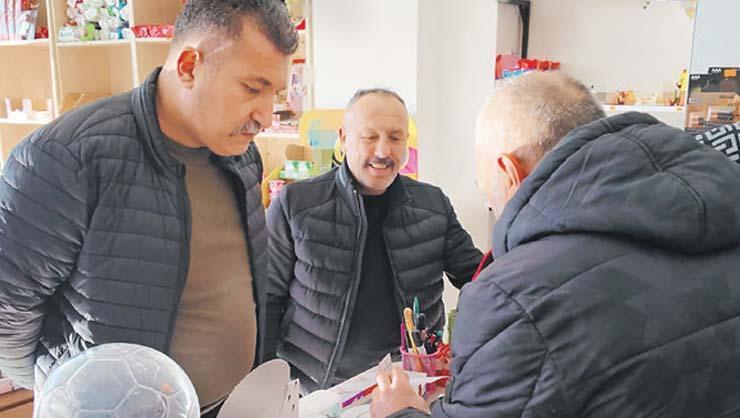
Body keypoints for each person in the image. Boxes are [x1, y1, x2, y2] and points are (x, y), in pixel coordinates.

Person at [371, 71, 740, 417]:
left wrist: (400, 411)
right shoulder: (723, 207)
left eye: (489, 197)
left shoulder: (512, 299)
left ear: (510, 172)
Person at [0, 1, 298, 416]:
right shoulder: (66, 158)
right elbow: (7, 313)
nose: (265, 116)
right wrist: (70, 395)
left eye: (274, 93)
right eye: (252, 88)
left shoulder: (241, 156)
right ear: (189, 66)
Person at [265, 89, 483, 390]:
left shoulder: (433, 205)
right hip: (316, 387)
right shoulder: (295, 204)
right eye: (370, 137)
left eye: (395, 138)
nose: (383, 151)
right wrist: (267, 383)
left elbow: (478, 278)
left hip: (410, 381)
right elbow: (267, 299)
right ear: (344, 138)